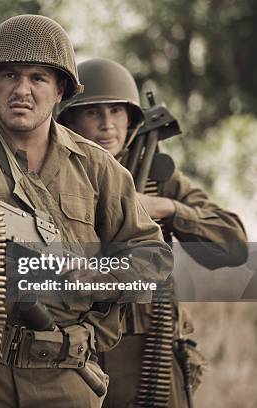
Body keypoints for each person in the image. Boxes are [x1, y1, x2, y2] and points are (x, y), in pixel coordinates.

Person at [0, 15, 173, 408]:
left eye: (38, 78)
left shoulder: (98, 167)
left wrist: (94, 276)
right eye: (9, 76)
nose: (21, 90)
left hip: (63, 374)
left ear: (60, 90)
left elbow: (155, 260)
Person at [56, 57, 248, 407]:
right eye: (93, 112)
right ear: (68, 119)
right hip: (75, 352)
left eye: (117, 111)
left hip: (149, 350)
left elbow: (233, 243)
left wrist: (169, 209)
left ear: (132, 119)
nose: (107, 125)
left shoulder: (159, 181)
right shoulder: (51, 177)